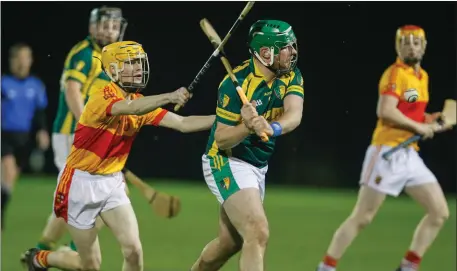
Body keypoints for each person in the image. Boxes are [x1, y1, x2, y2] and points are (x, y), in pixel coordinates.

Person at [22, 40, 215, 271]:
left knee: (133, 251)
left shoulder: (140, 103)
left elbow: (183, 123)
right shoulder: (101, 95)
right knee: (89, 266)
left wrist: (226, 118)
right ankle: (42, 258)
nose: (137, 68)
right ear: (113, 70)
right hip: (79, 184)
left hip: (111, 182)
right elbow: (129, 109)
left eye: (138, 63)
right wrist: (170, 96)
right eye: (130, 63)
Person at [315, 25, 451, 271]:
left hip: (410, 155)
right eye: (405, 42)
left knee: (439, 212)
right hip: (386, 152)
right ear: (397, 46)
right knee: (363, 217)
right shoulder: (394, 74)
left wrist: (428, 120)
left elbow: (409, 113)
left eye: (416, 42)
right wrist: (419, 128)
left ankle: (408, 266)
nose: (411, 46)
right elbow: (386, 111)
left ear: (424, 46)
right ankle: (326, 267)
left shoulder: (422, 77)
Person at [190, 20, 304, 271]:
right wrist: (247, 127)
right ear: (266, 53)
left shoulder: (291, 75)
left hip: (257, 165)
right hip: (226, 159)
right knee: (257, 230)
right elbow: (221, 138)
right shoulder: (233, 84)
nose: (293, 52)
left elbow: (294, 114)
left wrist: (271, 127)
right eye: (286, 47)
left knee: (229, 243)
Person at [32, 6, 128, 254]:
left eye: (114, 26)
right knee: (93, 194)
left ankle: (45, 250)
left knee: (79, 196)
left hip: (90, 138)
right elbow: (72, 91)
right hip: (71, 135)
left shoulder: (112, 58)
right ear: (93, 27)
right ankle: (72, 251)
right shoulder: (84, 54)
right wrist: (90, 125)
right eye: (105, 25)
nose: (110, 31)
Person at [1, 43, 50, 230]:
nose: (22, 62)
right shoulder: (4, 83)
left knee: (8, 181)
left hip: (24, 138)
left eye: (26, 58)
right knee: (8, 170)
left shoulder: (36, 85)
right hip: (4, 136)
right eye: (18, 58)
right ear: (12, 61)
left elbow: (40, 113)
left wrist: (42, 131)